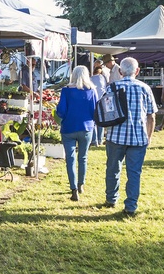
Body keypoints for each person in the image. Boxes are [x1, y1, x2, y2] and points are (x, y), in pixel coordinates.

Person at [103, 57, 156, 216]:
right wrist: (149, 136)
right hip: (138, 138)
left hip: (115, 136)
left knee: (113, 169)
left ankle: (111, 199)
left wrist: (106, 132)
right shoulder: (145, 88)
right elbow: (151, 116)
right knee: (134, 173)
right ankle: (131, 206)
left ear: (120, 71)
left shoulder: (112, 87)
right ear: (137, 71)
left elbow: (106, 113)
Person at [56, 66, 99, 202]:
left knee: (70, 158)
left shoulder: (66, 90)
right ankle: (81, 184)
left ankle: (73, 188)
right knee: (83, 157)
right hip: (86, 127)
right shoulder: (92, 90)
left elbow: (61, 111)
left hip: (69, 127)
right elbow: (95, 111)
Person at [89, 65, 108, 146]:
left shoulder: (91, 78)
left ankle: (94, 140)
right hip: (103, 100)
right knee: (101, 121)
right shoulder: (104, 79)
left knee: (93, 121)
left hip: (94, 101)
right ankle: (100, 140)